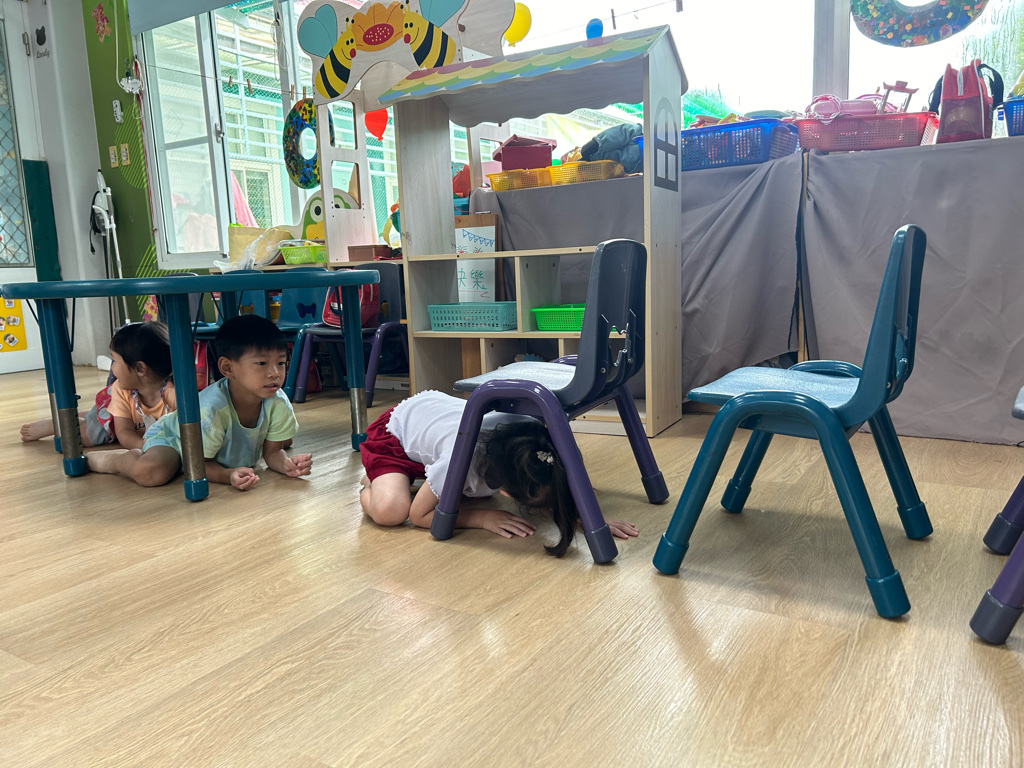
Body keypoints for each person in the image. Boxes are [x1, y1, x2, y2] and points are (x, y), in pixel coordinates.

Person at [358, 390, 638, 556]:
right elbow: (419, 515)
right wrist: (481, 518)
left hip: (437, 424)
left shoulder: (531, 437)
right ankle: (371, 479)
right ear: (503, 491)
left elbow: (553, 478)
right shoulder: (459, 460)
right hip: (396, 432)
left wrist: (582, 516)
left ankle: (403, 479)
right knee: (392, 511)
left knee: (462, 494)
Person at [86, 314, 312, 490]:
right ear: (227, 368)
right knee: (153, 472)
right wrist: (227, 475)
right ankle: (111, 460)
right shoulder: (211, 409)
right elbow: (197, 463)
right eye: (262, 364)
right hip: (175, 440)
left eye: (281, 363)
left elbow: (272, 452)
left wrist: (286, 465)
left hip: (203, 453)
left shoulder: (278, 401)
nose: (275, 373)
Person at [20, 322, 174, 448]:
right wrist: (142, 445)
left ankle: (91, 414)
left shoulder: (173, 391)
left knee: (107, 416)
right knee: (87, 436)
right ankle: (60, 423)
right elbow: (124, 431)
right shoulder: (121, 389)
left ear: (140, 369)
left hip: (124, 413)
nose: (112, 366)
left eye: (114, 360)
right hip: (114, 408)